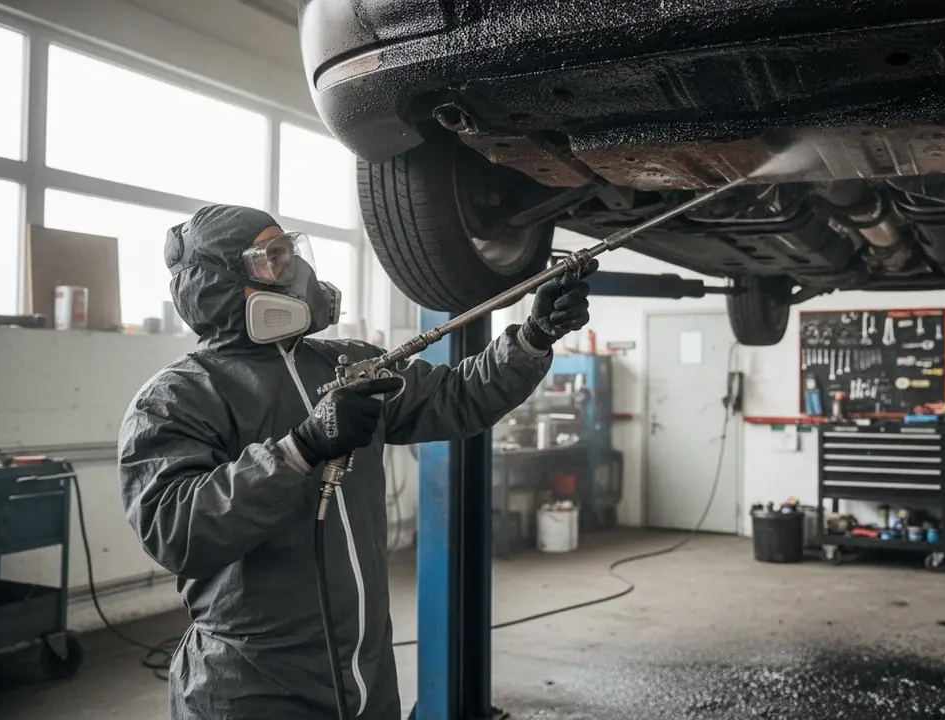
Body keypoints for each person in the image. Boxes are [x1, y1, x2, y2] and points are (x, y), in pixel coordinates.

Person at [117, 204, 594, 719]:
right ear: (220, 284)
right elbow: (176, 530)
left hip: (363, 673)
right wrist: (300, 448)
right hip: (251, 687)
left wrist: (532, 338)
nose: (298, 271)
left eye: (291, 252)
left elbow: (456, 397)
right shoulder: (178, 397)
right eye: (273, 259)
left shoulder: (347, 364)